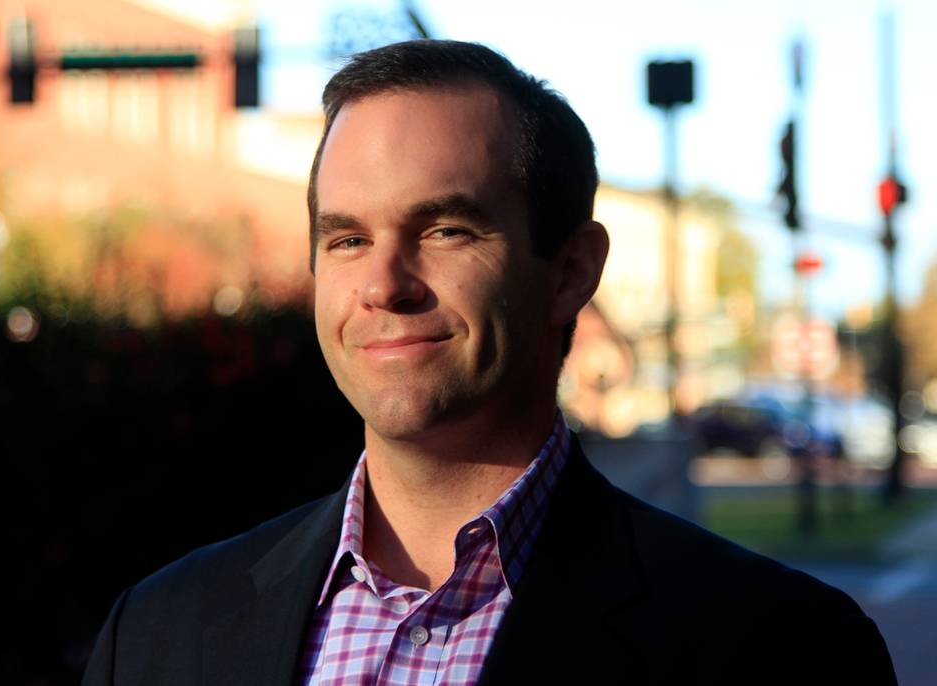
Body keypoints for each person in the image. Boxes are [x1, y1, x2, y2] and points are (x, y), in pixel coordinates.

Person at [83, 40, 897, 685]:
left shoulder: (782, 650)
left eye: (445, 230)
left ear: (570, 272)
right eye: (348, 239)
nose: (384, 285)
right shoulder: (157, 632)